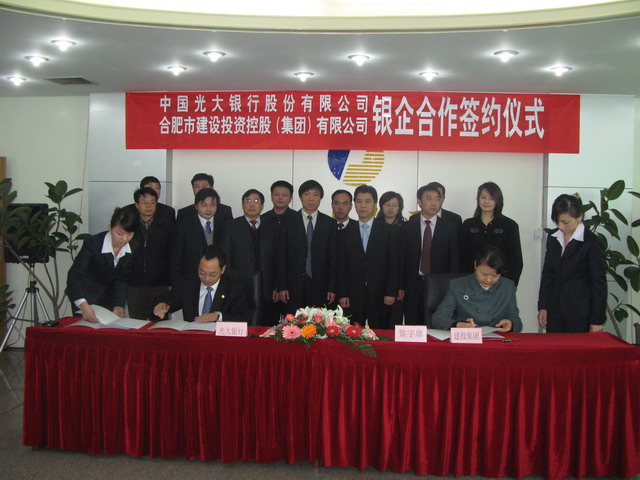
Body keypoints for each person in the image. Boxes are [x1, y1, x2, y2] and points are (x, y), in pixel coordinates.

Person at [537, 194, 607, 333]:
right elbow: (548, 273)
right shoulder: (553, 237)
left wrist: (596, 320)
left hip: (580, 313)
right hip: (554, 311)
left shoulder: (592, 242)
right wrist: (543, 306)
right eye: (557, 221)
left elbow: (598, 283)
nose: (560, 226)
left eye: (565, 222)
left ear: (579, 217)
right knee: (553, 347)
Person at [337, 185, 399, 329]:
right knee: (352, 335)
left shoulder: (388, 231)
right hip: (353, 295)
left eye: (367, 201)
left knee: (380, 334)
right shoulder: (345, 233)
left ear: (375, 204)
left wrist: (390, 292)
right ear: (354, 205)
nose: (363, 205)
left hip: (380, 294)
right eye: (359, 201)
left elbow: (394, 264)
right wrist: (343, 293)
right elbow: (341, 266)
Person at [399, 183, 460, 324]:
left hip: (439, 284)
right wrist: (400, 285)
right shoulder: (407, 227)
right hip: (412, 283)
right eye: (429, 198)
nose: (434, 203)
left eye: (437, 199)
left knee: (436, 323)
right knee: (412, 323)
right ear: (419, 201)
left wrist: (451, 287)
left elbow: (454, 261)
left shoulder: (449, 228)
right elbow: (400, 259)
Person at [65, 207, 138, 323]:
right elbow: (74, 275)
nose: (124, 239)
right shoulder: (93, 244)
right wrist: (83, 305)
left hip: (108, 298)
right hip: (85, 296)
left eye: (129, 234)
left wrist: (118, 305)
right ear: (110, 228)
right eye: (120, 234)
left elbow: (122, 279)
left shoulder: (133, 246)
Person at [277, 180, 337, 313]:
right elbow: (281, 256)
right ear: (300, 197)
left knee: (319, 322)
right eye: (307, 194)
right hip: (293, 285)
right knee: (293, 323)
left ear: (320, 198)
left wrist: (332, 287)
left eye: (316, 194)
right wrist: (282, 286)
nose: (311, 199)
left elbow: (333, 259)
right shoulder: (287, 221)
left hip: (321, 285)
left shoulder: (330, 223)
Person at [220, 189, 279, 325]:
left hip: (266, 286)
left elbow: (277, 259)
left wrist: (276, 285)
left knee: (266, 325)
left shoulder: (272, 226)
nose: (252, 204)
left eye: (256, 201)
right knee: (242, 324)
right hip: (239, 286)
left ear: (262, 205)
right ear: (242, 205)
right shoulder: (231, 226)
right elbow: (225, 257)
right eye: (248, 201)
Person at [432, 245, 522, 332]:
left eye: (495, 276)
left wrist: (510, 323)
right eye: (484, 274)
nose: (488, 280)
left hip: (496, 337)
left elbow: (516, 319)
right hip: (469, 337)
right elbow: (438, 318)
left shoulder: (507, 286)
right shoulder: (459, 285)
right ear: (475, 265)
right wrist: (458, 325)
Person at [152, 245, 251, 323]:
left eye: (212, 274)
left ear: (223, 269)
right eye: (202, 273)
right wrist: (160, 306)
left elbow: (243, 317)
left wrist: (218, 316)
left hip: (220, 339)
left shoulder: (234, 287)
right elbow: (167, 299)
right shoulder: (188, 284)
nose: (206, 279)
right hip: (193, 338)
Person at [459, 182, 523, 286]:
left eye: (492, 198)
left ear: (498, 200)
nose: (486, 201)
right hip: (471, 282)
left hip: (500, 282)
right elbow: (462, 257)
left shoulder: (510, 225)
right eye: (483, 197)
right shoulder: (468, 224)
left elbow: (516, 261)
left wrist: (510, 285)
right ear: (478, 199)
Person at [126, 187, 174, 320]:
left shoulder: (167, 225)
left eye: (152, 202)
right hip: (134, 284)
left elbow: (172, 255)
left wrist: (171, 281)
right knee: (137, 323)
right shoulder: (129, 225)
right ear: (137, 205)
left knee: (159, 323)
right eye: (144, 202)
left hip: (160, 284)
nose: (149, 206)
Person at [171, 188, 224, 288]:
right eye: (204, 205)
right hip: (190, 280)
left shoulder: (224, 225)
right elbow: (177, 259)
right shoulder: (184, 226)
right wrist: (176, 284)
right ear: (196, 206)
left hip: (217, 281)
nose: (209, 209)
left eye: (213, 205)